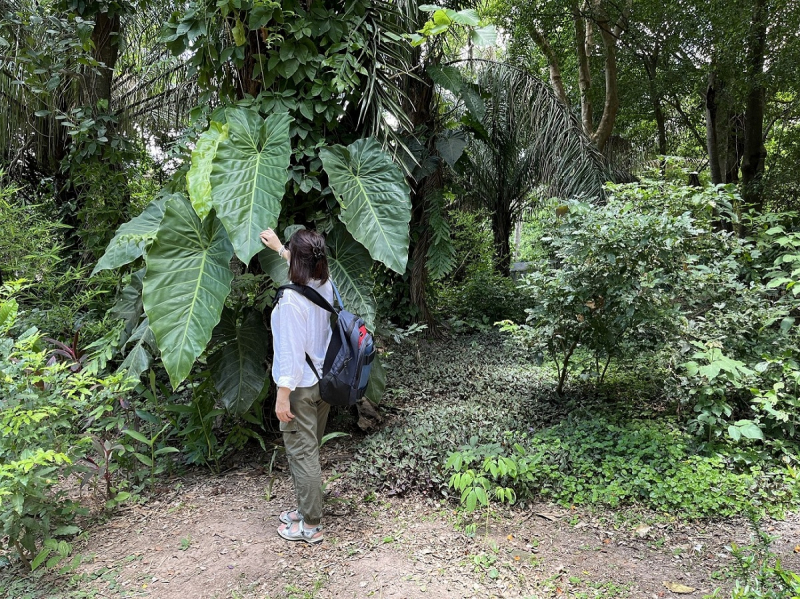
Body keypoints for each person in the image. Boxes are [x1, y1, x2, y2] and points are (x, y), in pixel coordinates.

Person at [260, 227, 333, 544]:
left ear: (298, 263)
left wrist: (281, 397)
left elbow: (289, 353)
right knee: (310, 452)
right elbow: (302, 265)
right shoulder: (325, 283)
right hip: (323, 383)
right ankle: (307, 509)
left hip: (300, 389)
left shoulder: (290, 301)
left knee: (302, 456)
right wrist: (280, 248)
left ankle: (312, 525)